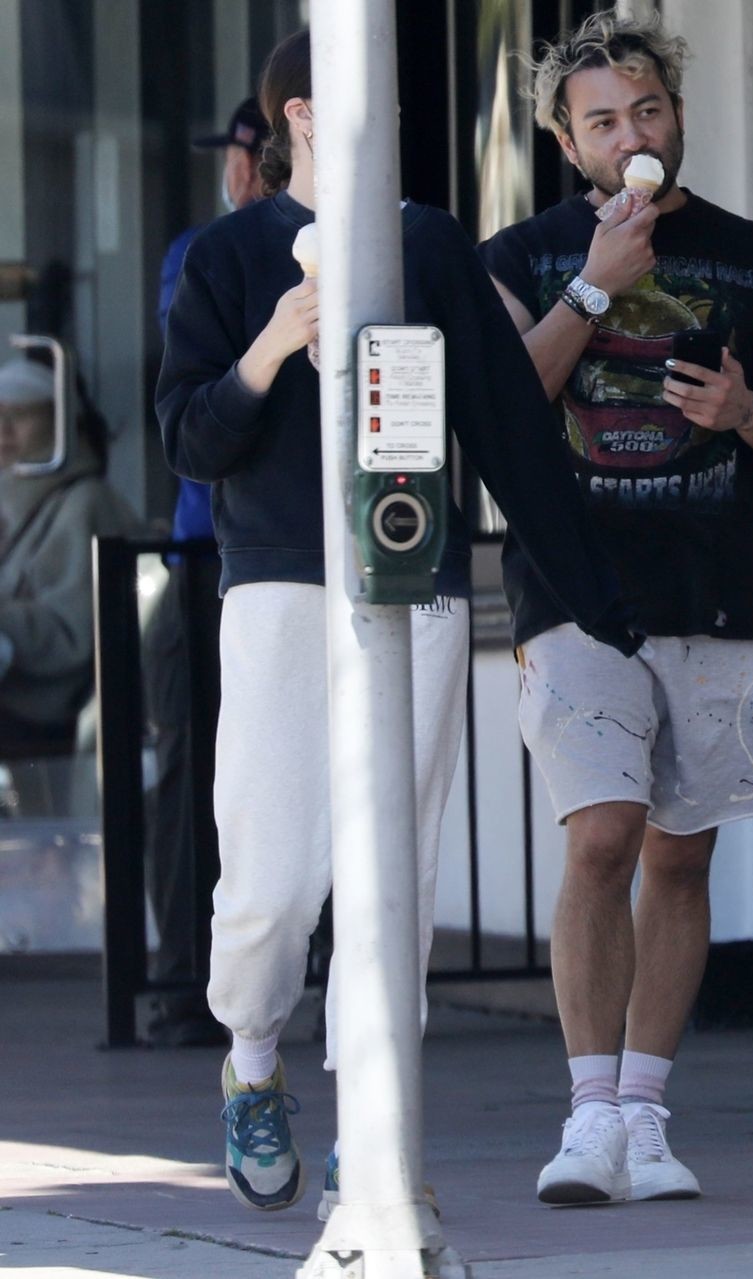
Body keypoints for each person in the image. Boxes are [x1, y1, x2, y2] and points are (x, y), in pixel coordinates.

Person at [155, 29, 636, 1217]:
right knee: (271, 873)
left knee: (398, 880)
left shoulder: (427, 244)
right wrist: (277, 341)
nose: (394, 119)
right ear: (303, 113)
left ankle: (374, 1133)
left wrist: (593, 596)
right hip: (278, 585)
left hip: (412, 582)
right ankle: (252, 1059)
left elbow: (505, 421)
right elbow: (190, 439)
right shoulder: (226, 255)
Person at [481, 10, 753, 1207]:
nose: (629, 133)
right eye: (602, 120)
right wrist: (594, 285)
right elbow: (503, 413)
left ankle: (644, 1115)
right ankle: (588, 1116)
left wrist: (745, 415)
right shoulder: (520, 257)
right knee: (602, 836)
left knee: (681, 853)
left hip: (721, 586)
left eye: (647, 109)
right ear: (565, 141)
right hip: (575, 588)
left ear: (676, 115)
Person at [144, 95, 268, 1044]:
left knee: (217, 765)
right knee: (199, 762)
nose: (230, 171)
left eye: (236, 152)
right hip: (212, 548)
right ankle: (191, 976)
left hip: (236, 554)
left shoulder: (214, 250)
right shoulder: (208, 254)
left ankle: (208, 979)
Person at [0, 357, 135, 776]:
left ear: (60, 424)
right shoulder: (12, 500)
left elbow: (73, 634)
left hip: (45, 720)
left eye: (19, 415)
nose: (3, 430)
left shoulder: (85, 503)